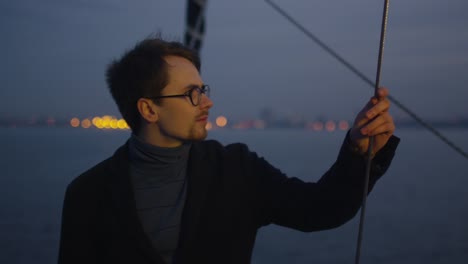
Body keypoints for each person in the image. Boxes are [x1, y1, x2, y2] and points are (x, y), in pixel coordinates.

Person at [58, 36, 399, 264]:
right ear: (148, 109)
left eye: (203, 88)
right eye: (192, 93)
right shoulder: (88, 194)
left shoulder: (237, 169)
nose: (207, 101)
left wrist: (358, 151)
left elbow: (321, 209)